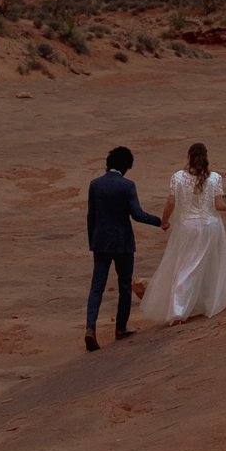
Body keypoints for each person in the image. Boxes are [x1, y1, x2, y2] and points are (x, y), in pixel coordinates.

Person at [134, 141, 226, 327]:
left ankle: (178, 310)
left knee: (185, 266)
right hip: (211, 227)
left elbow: (171, 203)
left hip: (187, 227)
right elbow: (218, 205)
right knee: (208, 265)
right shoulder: (215, 178)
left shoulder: (178, 177)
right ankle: (202, 303)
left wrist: (164, 221)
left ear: (189, 157)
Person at [84, 144, 161, 352]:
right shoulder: (127, 186)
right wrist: (159, 221)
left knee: (96, 287)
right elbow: (137, 214)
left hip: (100, 242)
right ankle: (120, 328)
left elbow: (91, 216)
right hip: (122, 242)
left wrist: (93, 240)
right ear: (126, 166)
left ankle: (90, 328)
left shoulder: (95, 185)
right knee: (124, 285)